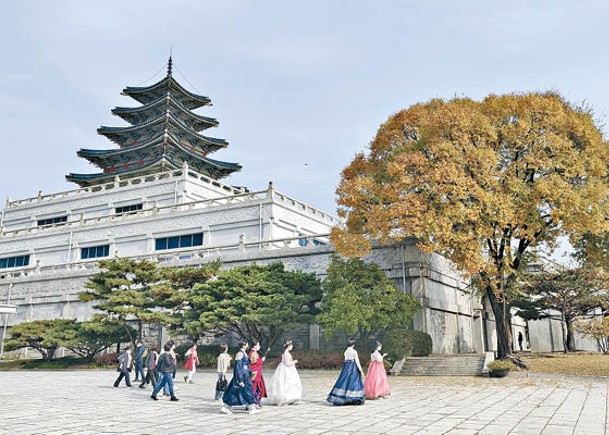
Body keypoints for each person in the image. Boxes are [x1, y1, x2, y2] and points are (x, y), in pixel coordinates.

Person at [221, 341, 259, 414]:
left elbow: (246, 366)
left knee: (241, 392)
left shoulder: (243, 353)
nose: (248, 345)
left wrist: (250, 372)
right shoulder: (240, 354)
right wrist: (240, 379)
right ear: (244, 345)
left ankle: (250, 406)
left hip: (245, 375)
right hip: (242, 376)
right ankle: (250, 407)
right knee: (239, 391)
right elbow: (238, 367)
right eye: (247, 344)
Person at [326, 338, 366, 405]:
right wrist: (361, 370)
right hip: (353, 368)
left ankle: (343, 397)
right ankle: (354, 398)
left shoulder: (346, 351)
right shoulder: (354, 351)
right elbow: (357, 362)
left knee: (344, 381)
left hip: (346, 368)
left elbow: (345, 360)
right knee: (354, 382)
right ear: (353, 344)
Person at [267, 340, 302, 406]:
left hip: (288, 369)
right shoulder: (286, 353)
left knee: (290, 383)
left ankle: (291, 398)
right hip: (286, 369)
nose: (292, 347)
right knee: (286, 383)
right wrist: (294, 361)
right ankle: (285, 398)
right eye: (291, 345)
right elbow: (287, 363)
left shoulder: (287, 352)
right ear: (288, 346)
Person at [248, 340, 269, 407]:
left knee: (257, 388)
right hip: (255, 373)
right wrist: (261, 360)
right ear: (255, 345)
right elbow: (253, 364)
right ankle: (253, 403)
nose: (259, 346)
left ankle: (256, 402)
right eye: (258, 345)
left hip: (257, 373)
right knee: (254, 388)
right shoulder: (253, 353)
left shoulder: (253, 352)